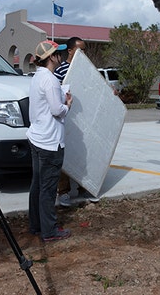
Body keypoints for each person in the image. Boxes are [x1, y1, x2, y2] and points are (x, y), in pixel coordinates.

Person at [27, 40, 73, 242]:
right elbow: (56, 110)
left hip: (36, 137)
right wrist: (68, 104)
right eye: (58, 53)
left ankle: (36, 225)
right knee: (47, 188)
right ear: (51, 58)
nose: (61, 56)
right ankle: (50, 230)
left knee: (37, 185)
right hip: (50, 141)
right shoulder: (51, 80)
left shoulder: (37, 77)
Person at [53, 37, 101, 207]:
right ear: (70, 51)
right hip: (66, 120)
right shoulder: (60, 71)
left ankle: (85, 186)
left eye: (85, 50)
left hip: (85, 122)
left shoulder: (88, 71)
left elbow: (97, 91)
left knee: (83, 154)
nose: (84, 54)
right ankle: (64, 192)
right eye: (80, 50)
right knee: (66, 157)